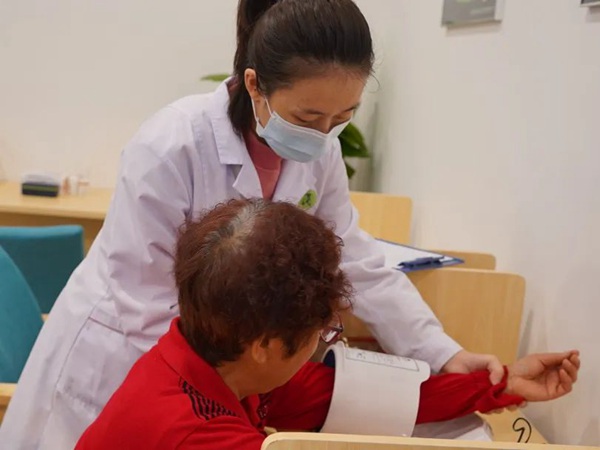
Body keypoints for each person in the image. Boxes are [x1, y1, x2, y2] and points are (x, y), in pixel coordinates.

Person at [1, 0, 511, 448]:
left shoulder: (321, 153)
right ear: (255, 85)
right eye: (308, 118)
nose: (323, 134)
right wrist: (245, 391)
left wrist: (443, 353)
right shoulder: (172, 144)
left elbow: (355, 261)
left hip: (222, 372)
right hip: (122, 358)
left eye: (342, 118)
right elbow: (148, 304)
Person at [75, 199, 580, 450]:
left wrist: (499, 386)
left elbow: (373, 398)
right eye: (319, 335)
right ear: (266, 344)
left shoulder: (226, 359)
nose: (320, 343)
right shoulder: (196, 431)